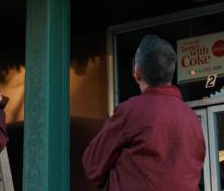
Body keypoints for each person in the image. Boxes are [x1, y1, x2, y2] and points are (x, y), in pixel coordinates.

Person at [82, 35, 205, 190]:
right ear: (171, 73)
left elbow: (93, 165)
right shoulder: (192, 119)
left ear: (137, 72)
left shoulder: (131, 112)